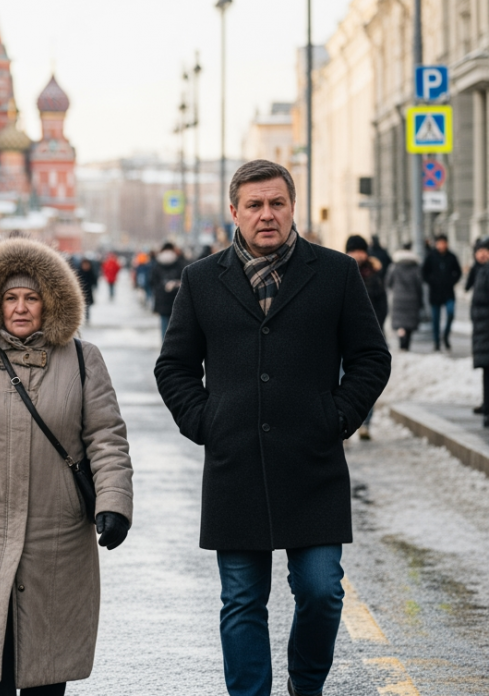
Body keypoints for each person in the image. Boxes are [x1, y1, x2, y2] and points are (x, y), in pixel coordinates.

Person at [154, 160, 390, 696]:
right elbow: (174, 367)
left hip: (313, 466)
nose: (267, 215)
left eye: (276, 203)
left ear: (292, 207)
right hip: (234, 465)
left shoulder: (334, 273)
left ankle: (306, 686)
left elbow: (371, 357)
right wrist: (205, 420)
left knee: (322, 591)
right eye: (255, 205)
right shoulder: (200, 279)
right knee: (241, 601)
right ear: (233, 212)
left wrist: (336, 416)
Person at [0, 238, 134, 695]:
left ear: (49, 302)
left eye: (31, 297)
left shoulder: (83, 360)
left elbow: (107, 439)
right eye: (10, 297)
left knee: (45, 666)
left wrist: (114, 502)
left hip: (57, 532)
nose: (20, 307)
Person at [346, 235, 388, 440]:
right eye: (353, 251)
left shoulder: (374, 274)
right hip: (342, 338)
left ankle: (365, 422)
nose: (357, 255)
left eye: (359, 251)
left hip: (369, 335)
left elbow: (382, 304)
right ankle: (343, 421)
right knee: (338, 380)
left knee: (366, 381)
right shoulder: (340, 272)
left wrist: (376, 329)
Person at [422, 233, 462, 350]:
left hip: (448, 292)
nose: (441, 245)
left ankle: (445, 336)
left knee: (450, 313)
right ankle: (436, 342)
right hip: (435, 292)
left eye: (443, 243)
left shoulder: (451, 257)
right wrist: (432, 281)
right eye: (439, 243)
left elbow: (458, 272)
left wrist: (452, 281)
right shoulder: (431, 256)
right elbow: (424, 273)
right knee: (435, 319)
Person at [388, 244, 423, 351]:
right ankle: (406, 345)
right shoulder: (415, 267)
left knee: (401, 324)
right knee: (409, 324)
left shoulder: (395, 266)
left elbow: (388, 282)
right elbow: (419, 285)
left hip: (398, 299)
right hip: (412, 299)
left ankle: (402, 343)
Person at [150, 242, 187, 339]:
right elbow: (185, 280)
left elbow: (152, 281)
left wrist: (160, 290)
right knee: (176, 325)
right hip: (176, 297)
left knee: (164, 323)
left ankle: (164, 346)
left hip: (162, 298)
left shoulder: (157, 264)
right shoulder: (179, 263)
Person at [470, 239, 489, 420]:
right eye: (480, 250)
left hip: (485, 328)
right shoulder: (480, 270)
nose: (482, 254)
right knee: (486, 370)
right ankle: (486, 405)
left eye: (486, 250)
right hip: (482, 328)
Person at [75, 257, 97, 321]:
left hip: (89, 291)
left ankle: (87, 316)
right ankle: (83, 315)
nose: (85, 266)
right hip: (81, 291)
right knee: (82, 303)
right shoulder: (79, 272)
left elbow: (94, 280)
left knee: (88, 304)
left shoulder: (91, 272)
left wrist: (94, 285)